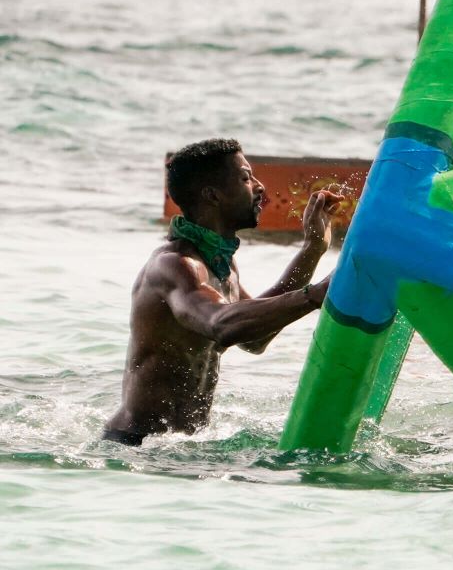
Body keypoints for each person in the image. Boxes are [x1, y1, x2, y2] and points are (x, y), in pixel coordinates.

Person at [103, 139, 344, 445]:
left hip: (180, 446)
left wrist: (312, 249)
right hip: (135, 444)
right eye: (246, 178)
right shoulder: (175, 266)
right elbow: (222, 325)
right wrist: (315, 294)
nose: (259, 187)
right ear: (212, 195)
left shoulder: (221, 265)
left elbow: (253, 338)